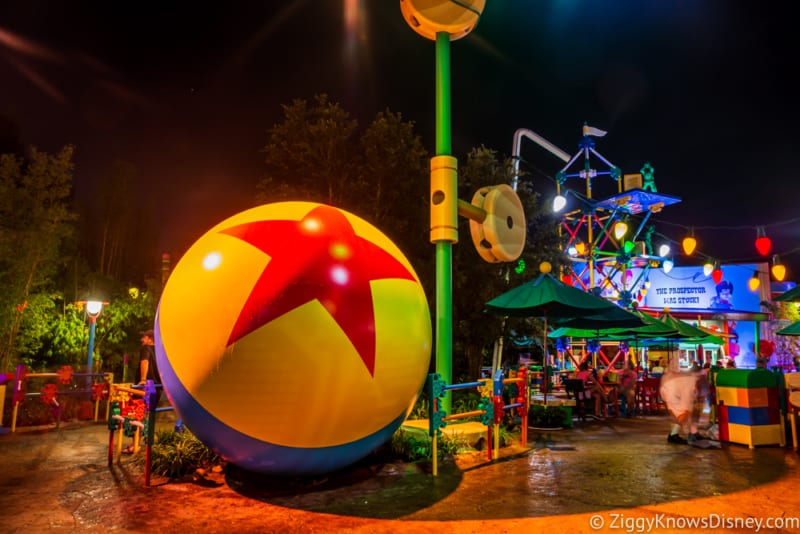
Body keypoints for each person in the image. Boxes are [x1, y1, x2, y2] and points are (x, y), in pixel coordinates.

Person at [123, 329, 162, 454]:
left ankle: (135, 445)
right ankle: (146, 443)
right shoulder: (161, 352)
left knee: (136, 414)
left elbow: (145, 362)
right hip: (157, 387)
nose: (142, 340)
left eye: (144, 337)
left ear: (150, 339)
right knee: (148, 416)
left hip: (145, 388)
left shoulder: (146, 349)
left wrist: (143, 379)